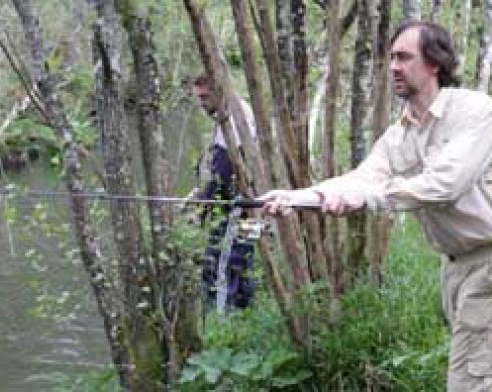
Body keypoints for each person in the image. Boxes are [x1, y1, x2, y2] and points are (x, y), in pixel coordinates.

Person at [260, 21, 492, 391]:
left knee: (472, 381)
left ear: (434, 63)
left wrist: (367, 197)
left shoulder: (476, 111)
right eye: (391, 59)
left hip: (487, 263)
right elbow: (363, 178)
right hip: (456, 269)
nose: (394, 67)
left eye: (404, 57)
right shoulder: (401, 133)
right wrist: (296, 198)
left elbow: (445, 185)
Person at [188, 73, 256, 310]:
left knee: (220, 263)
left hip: (240, 208)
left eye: (205, 97)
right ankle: (243, 315)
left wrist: (201, 211)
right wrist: (199, 194)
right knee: (243, 262)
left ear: (220, 92)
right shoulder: (228, 116)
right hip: (247, 206)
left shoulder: (236, 119)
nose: (202, 103)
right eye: (198, 98)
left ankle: (223, 322)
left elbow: (224, 173)